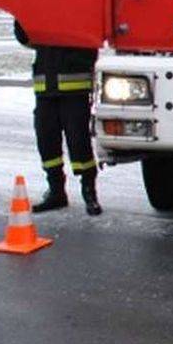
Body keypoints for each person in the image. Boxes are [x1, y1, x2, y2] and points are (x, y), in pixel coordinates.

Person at [14, 21, 102, 215]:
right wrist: (22, 17)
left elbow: (92, 40)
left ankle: (89, 192)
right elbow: (25, 37)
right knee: (46, 142)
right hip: (45, 89)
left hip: (74, 90)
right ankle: (56, 191)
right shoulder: (42, 10)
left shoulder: (77, 9)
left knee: (79, 143)